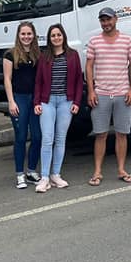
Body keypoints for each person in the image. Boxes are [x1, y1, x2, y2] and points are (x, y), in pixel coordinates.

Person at [86, 7, 131, 186]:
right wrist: (91, 91)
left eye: (108, 20)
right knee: (100, 134)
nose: (106, 23)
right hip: (101, 95)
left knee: (121, 134)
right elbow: (89, 66)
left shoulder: (127, 40)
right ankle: (97, 171)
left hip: (122, 94)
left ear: (116, 19)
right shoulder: (94, 41)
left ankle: (121, 169)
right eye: (102, 20)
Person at [33, 24, 83, 193]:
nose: (56, 38)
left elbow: (78, 81)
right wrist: (37, 103)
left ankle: (56, 174)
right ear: (49, 38)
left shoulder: (73, 55)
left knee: (60, 139)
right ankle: (45, 177)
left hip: (66, 102)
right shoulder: (44, 57)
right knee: (47, 139)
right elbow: (38, 81)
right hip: (47, 102)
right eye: (53, 35)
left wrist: (76, 102)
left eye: (58, 35)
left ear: (63, 36)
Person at [3, 21, 41, 188]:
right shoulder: (10, 55)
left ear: (34, 35)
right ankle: (20, 174)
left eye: (29, 34)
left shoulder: (38, 55)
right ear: (18, 36)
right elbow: (7, 79)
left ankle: (31, 171)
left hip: (35, 100)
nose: (26, 37)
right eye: (23, 34)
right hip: (19, 98)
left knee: (38, 136)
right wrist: (11, 101)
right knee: (20, 136)